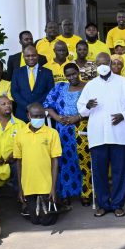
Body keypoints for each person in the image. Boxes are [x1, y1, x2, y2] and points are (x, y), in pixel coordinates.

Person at [78, 52, 125, 217]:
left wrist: (123, 115)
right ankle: (103, 204)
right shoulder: (90, 85)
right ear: (95, 66)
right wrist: (88, 106)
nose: (102, 65)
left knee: (120, 172)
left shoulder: (123, 83)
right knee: (99, 172)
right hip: (98, 136)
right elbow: (81, 109)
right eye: (99, 63)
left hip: (119, 135)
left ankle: (118, 204)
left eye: (105, 62)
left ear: (111, 63)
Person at [44, 63, 90, 206]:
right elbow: (47, 105)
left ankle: (86, 193)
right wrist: (57, 118)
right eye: (68, 75)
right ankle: (65, 193)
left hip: (83, 129)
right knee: (64, 162)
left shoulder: (88, 87)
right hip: (63, 131)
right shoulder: (60, 87)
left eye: (74, 74)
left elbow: (94, 107)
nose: (71, 77)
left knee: (84, 161)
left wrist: (77, 117)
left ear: (78, 72)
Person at [15, 103, 62, 226]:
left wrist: (53, 188)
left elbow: (55, 160)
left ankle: (57, 205)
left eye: (41, 116)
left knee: (47, 221)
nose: (39, 119)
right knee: (35, 221)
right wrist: (20, 188)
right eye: (35, 116)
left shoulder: (52, 133)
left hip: (46, 183)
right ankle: (33, 209)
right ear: (28, 116)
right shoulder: (20, 134)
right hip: (29, 184)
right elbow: (18, 162)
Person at [10, 45, 55, 121]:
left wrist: (36, 105)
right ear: (23, 57)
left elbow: (50, 91)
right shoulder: (17, 72)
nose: (31, 58)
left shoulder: (47, 72)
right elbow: (14, 92)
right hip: (22, 113)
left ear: (37, 56)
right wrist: (27, 106)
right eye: (28, 56)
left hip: (40, 113)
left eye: (33, 55)